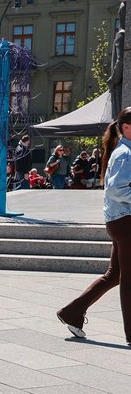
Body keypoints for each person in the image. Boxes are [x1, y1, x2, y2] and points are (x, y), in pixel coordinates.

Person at [56, 108, 131, 345]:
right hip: (125, 220)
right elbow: (117, 189)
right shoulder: (126, 154)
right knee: (127, 278)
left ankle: (72, 312)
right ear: (127, 127)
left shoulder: (125, 151)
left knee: (115, 275)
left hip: (120, 220)